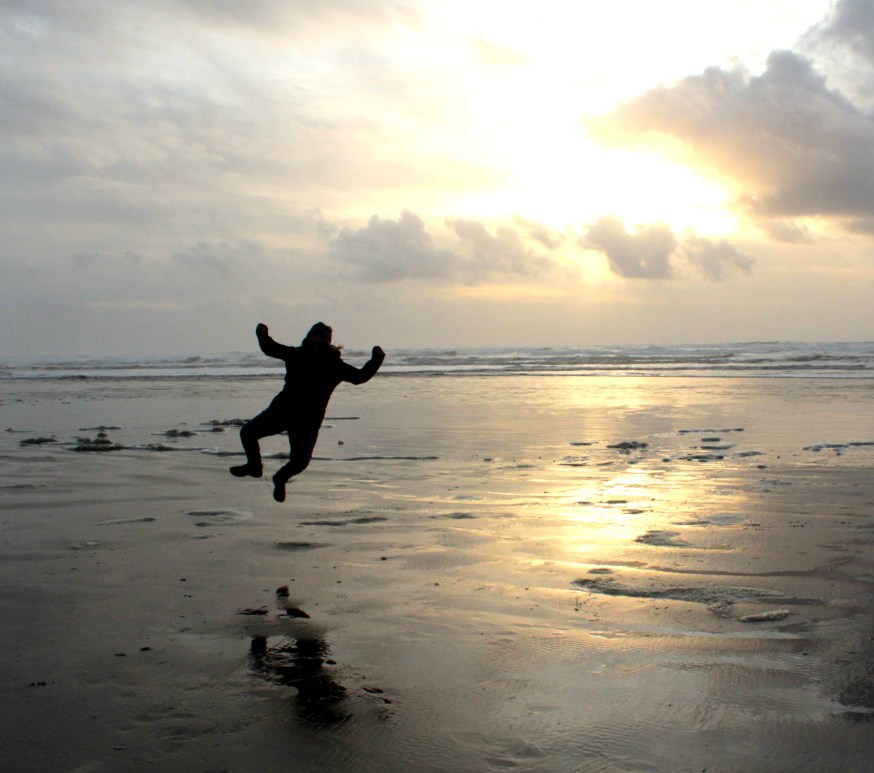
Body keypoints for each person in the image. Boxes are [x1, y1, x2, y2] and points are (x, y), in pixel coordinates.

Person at [230, 322, 385, 502]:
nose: (313, 345)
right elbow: (270, 348)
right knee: (247, 433)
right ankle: (254, 467)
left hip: (308, 422)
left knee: (300, 462)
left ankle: (280, 478)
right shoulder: (296, 354)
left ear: (326, 344)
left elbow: (359, 377)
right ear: (306, 340)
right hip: (281, 411)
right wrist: (262, 333)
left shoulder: (334, 365)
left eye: (318, 343)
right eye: (311, 341)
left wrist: (376, 360)